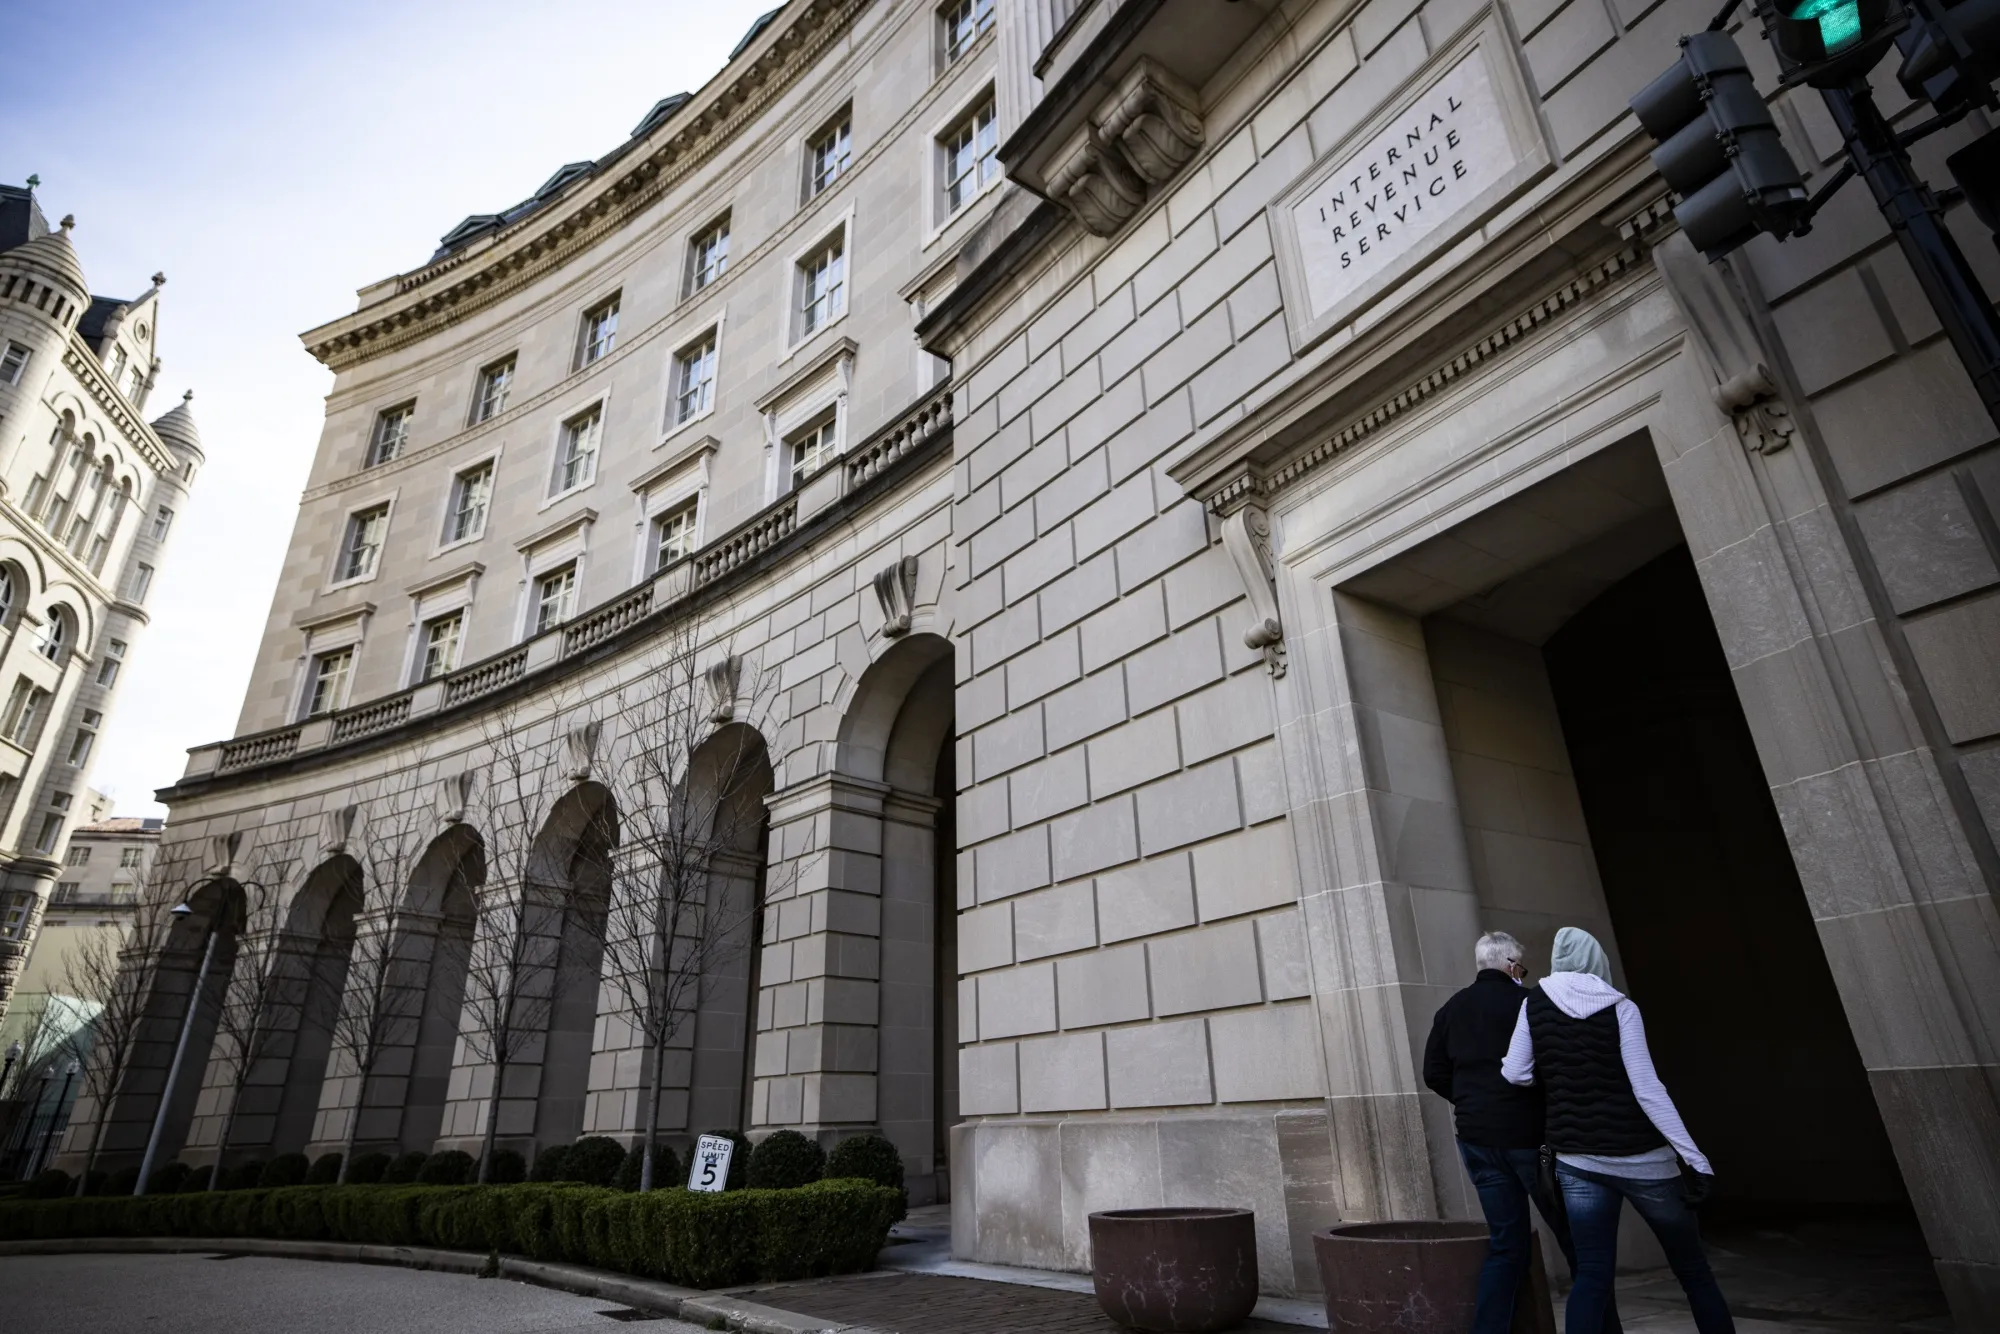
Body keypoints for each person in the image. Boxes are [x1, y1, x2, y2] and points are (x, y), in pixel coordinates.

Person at [1503, 926, 1734, 1334]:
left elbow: (1516, 1073)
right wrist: (1695, 1160)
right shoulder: (1620, 1007)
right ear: (1597, 960)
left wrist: (1561, 1077)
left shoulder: (1532, 1004)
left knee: (1591, 1276)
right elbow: (1648, 1090)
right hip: (1644, 1160)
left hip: (1576, 1159)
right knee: (1694, 1272)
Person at [1425, 931, 1612, 1334]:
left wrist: (1472, 1100)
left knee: (1507, 1245)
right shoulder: (1529, 1002)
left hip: (1476, 1137)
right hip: (1530, 1137)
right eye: (1520, 967)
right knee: (1577, 1241)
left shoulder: (1450, 1009)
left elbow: (1433, 1073)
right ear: (1511, 965)